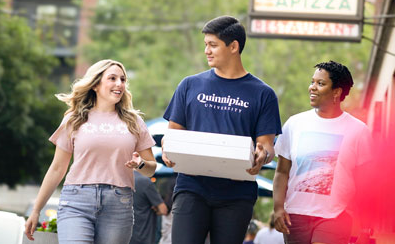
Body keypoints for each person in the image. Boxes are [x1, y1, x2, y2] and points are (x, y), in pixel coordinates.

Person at [162, 15, 282, 244]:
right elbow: (173, 134)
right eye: (206, 45)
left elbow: (266, 145)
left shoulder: (263, 94)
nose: (207, 51)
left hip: (237, 194)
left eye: (213, 45)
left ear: (234, 46)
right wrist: (168, 148)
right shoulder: (189, 85)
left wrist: (262, 155)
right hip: (192, 187)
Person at [24, 59, 157, 243]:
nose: (119, 84)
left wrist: (140, 164)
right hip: (76, 201)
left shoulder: (134, 122)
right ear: (95, 84)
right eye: (112, 78)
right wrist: (37, 210)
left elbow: (151, 168)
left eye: (123, 79)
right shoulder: (74, 119)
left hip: (118, 205)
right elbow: (57, 168)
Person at [273, 61, 373, 244]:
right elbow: (281, 171)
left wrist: (364, 223)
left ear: (337, 92)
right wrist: (278, 207)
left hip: (336, 216)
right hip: (295, 217)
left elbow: (364, 183)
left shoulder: (358, 131)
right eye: (312, 82)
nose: (312, 87)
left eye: (320, 83)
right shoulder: (294, 124)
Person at [129, 171, 168, 244]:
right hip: (143, 235)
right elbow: (163, 210)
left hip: (124, 235)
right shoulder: (144, 181)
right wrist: (156, 209)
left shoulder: (121, 180)